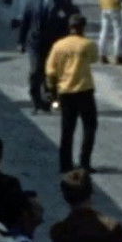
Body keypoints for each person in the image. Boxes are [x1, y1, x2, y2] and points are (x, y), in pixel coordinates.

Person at [46, 14, 99, 173]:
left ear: (69, 27)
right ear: (83, 27)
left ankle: (65, 164)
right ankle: (84, 162)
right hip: (84, 90)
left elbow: (50, 70)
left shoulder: (58, 45)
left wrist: (52, 90)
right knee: (89, 126)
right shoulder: (88, 44)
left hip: (65, 91)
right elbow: (94, 59)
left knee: (67, 129)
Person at [19, 0, 78, 113]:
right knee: (36, 70)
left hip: (53, 43)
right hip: (35, 42)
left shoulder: (63, 4)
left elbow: (70, 22)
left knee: (51, 72)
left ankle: (49, 98)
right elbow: (25, 22)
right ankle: (36, 100)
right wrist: (21, 41)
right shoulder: (33, 2)